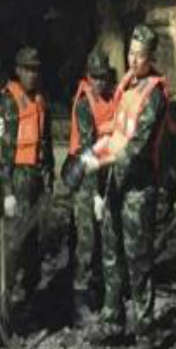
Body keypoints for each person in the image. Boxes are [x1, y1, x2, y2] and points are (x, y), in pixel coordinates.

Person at [79, 25, 168, 349]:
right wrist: (93, 154)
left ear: (151, 56)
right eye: (130, 52)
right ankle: (112, 320)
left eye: (140, 55)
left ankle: (146, 331)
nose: (133, 60)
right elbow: (115, 132)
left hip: (139, 188)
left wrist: (99, 164)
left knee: (138, 259)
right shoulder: (127, 86)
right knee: (111, 251)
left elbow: (136, 147)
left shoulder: (154, 94)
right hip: (118, 180)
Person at [0, 46, 54, 307]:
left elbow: (47, 141)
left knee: (34, 237)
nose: (33, 75)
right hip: (17, 175)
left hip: (37, 176)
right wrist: (7, 191)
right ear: (18, 71)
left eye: (36, 70)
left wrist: (49, 174)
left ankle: (30, 291)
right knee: (14, 240)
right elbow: (5, 151)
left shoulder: (41, 99)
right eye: (28, 69)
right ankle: (5, 297)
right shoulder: (10, 100)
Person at [68, 51, 116, 323]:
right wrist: (95, 193)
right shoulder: (84, 105)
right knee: (86, 241)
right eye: (95, 77)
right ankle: (80, 301)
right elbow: (87, 150)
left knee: (105, 238)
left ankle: (100, 292)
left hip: (106, 173)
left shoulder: (111, 99)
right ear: (89, 76)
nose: (99, 82)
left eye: (103, 77)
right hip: (87, 179)